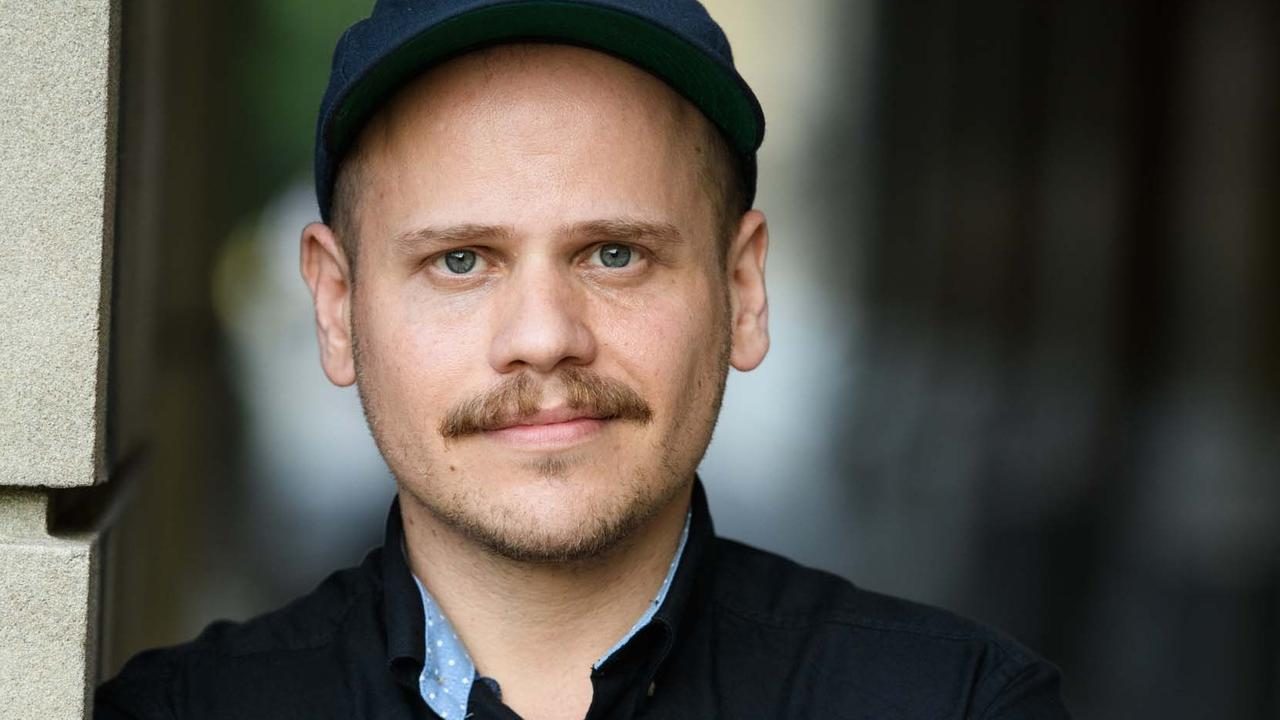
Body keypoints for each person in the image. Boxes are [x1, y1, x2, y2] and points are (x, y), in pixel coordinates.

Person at [97, 1, 1070, 718]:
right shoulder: (181, 714)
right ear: (337, 308)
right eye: (460, 260)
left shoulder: (957, 705)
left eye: (614, 254)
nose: (543, 335)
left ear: (741, 291)